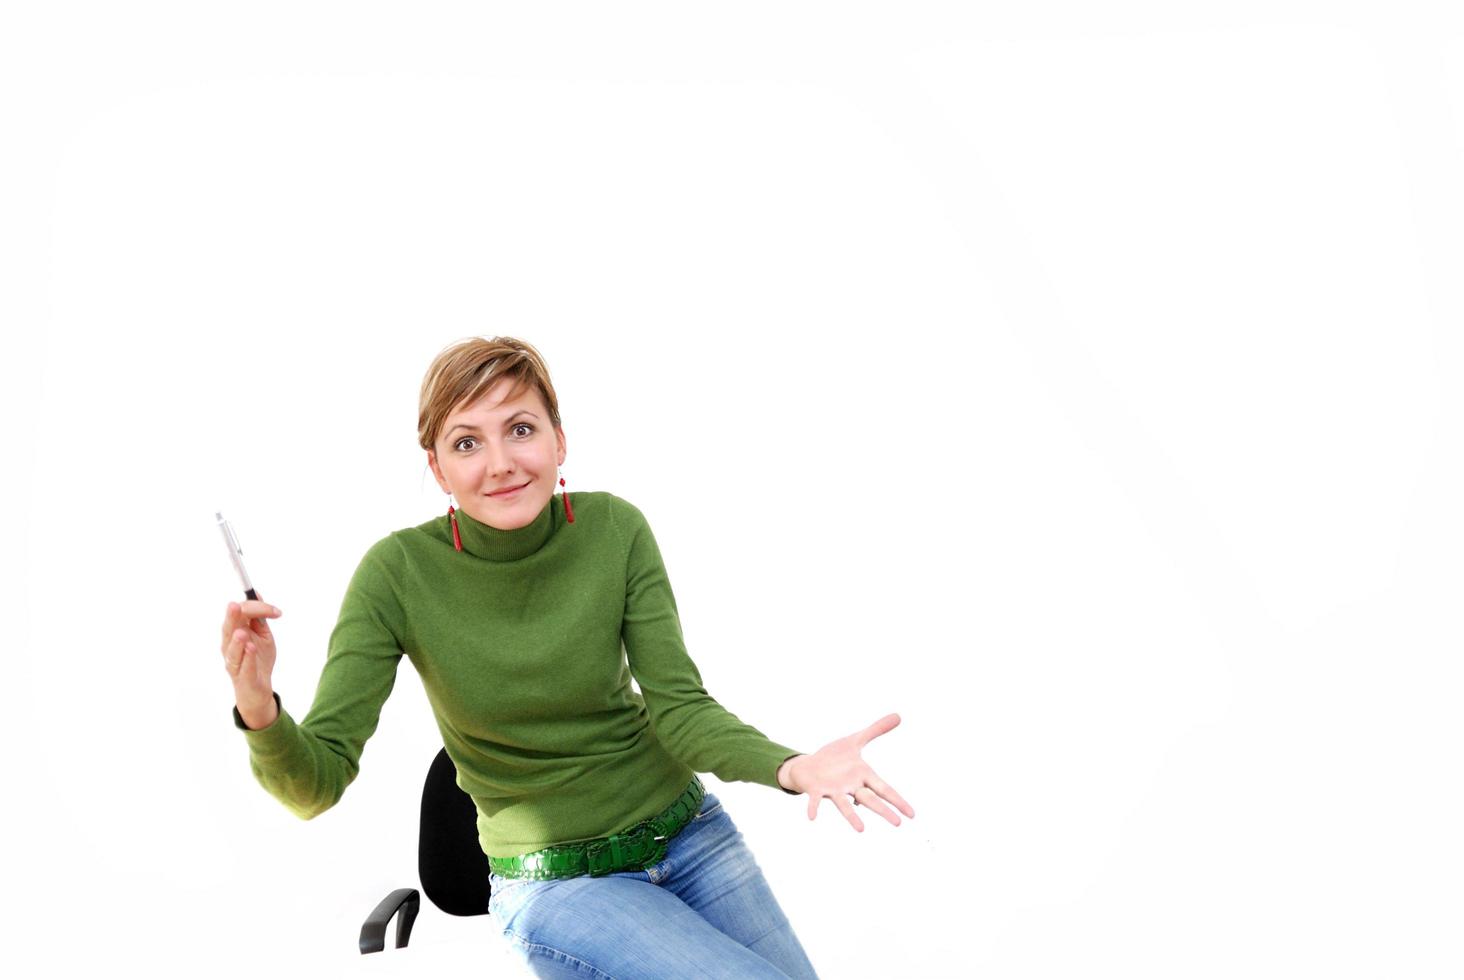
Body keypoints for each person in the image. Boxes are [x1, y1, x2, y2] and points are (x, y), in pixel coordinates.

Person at [220, 336, 915, 978]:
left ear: (559, 440)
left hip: (691, 837)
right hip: (556, 886)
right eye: (467, 442)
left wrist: (791, 766)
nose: (500, 464)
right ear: (436, 468)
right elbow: (314, 786)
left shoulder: (614, 529)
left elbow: (681, 709)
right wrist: (258, 706)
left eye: (520, 429)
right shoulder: (397, 574)